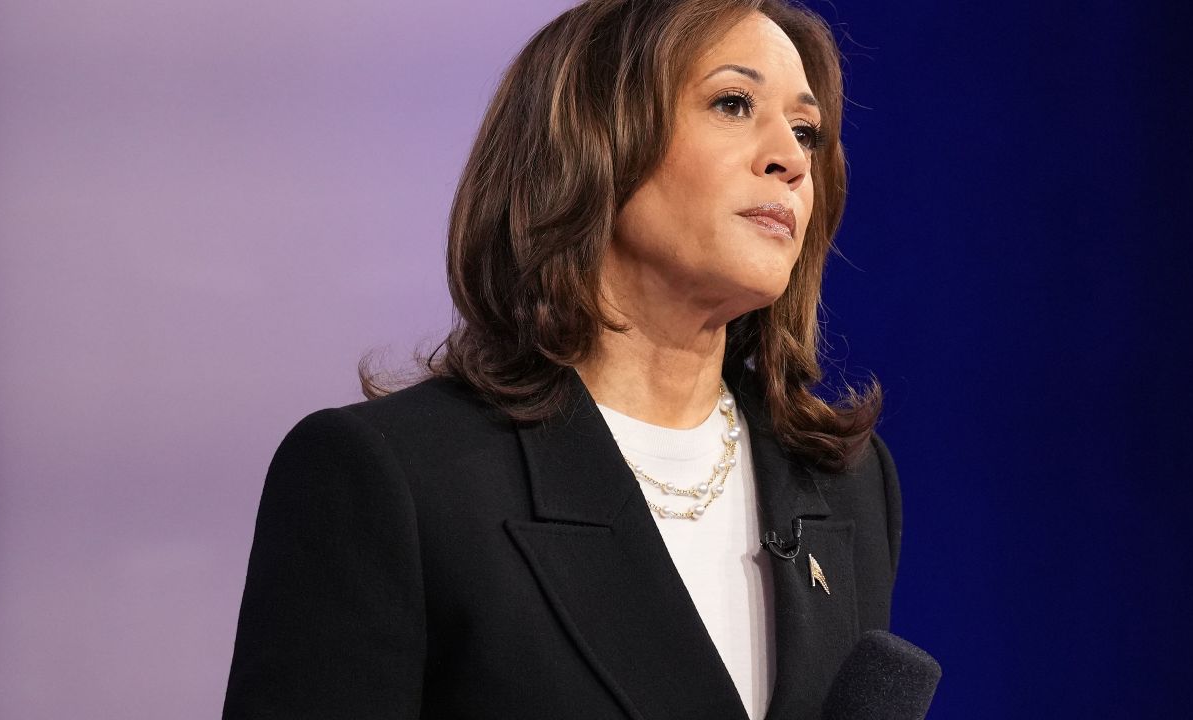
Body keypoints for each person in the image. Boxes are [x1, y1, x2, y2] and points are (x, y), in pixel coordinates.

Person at [222, 0, 901, 718]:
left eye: (807, 131)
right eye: (733, 104)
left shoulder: (847, 485)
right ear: (592, 142)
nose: (792, 160)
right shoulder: (392, 478)